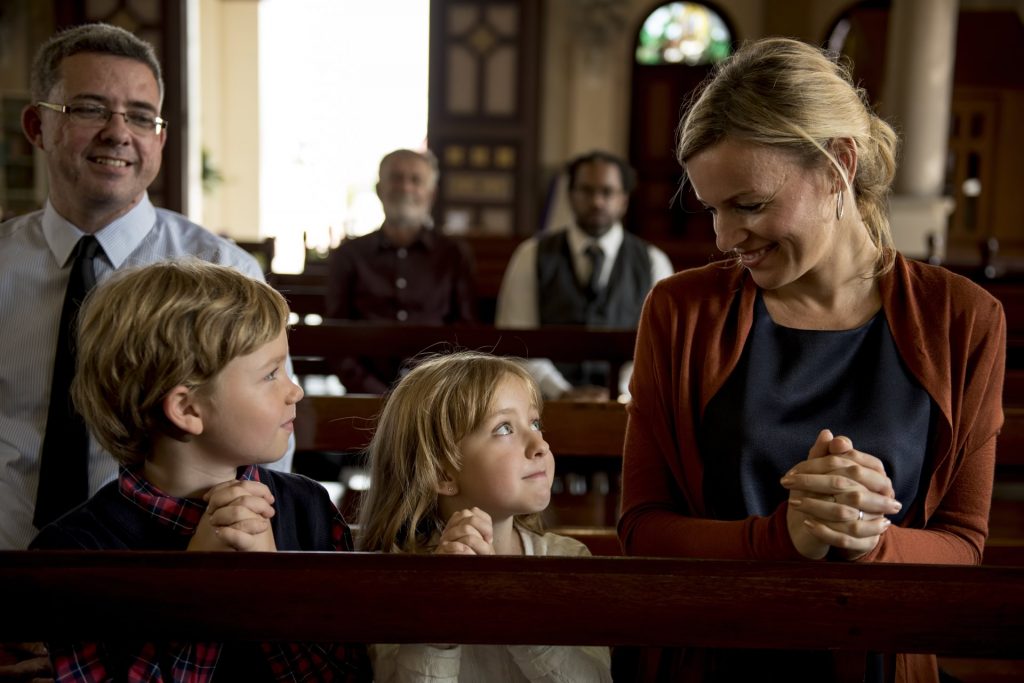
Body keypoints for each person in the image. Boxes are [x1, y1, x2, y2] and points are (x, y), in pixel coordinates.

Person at [617, 38, 1005, 682]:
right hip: (713, 659)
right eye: (713, 209)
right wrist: (783, 538)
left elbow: (963, 544)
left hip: (880, 661)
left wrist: (867, 540)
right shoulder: (680, 311)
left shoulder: (962, 319)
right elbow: (642, 529)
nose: (723, 237)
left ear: (837, 167)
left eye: (749, 204)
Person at [0, 22, 292, 554]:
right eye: (88, 109)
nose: (118, 132)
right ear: (36, 126)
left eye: (139, 116)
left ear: (159, 137)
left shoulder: (222, 270)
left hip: (168, 565)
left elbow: (263, 441)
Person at [29, 260, 371, 682]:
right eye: (270, 374)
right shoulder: (71, 554)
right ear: (188, 409)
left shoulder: (310, 508)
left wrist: (272, 584)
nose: (294, 390)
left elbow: (347, 675)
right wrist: (199, 586)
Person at [357, 351, 612, 682]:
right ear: (443, 474)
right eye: (504, 428)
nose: (540, 444)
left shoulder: (569, 562)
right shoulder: (402, 577)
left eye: (535, 423)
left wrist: (509, 607)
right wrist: (440, 618)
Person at [495, 150, 674, 401]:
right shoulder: (531, 255)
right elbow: (516, 340)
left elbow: (658, 347)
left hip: (627, 405)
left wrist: (618, 392)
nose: (597, 201)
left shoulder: (653, 261)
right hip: (544, 402)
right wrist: (562, 392)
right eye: (586, 191)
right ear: (570, 195)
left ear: (623, 200)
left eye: (607, 192)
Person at [325, 149, 477, 393]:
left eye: (416, 180)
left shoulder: (453, 255)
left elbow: (466, 331)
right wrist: (376, 393)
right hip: (365, 395)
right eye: (396, 178)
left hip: (437, 393)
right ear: (379, 189)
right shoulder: (349, 255)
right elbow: (336, 337)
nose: (405, 187)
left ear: (431, 194)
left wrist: (433, 389)